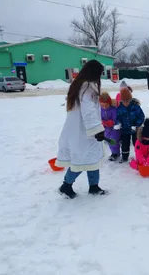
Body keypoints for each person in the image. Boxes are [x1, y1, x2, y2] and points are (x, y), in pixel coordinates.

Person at [56, 60, 107, 198]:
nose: (100, 77)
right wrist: (97, 129)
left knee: (92, 159)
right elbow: (88, 110)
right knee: (81, 160)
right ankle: (66, 186)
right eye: (99, 73)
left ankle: (94, 186)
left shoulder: (79, 85)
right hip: (83, 131)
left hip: (81, 129)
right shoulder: (86, 89)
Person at [118, 87, 145, 163]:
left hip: (134, 130)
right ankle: (124, 157)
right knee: (124, 144)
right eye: (124, 101)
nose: (126, 103)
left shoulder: (135, 107)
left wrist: (137, 125)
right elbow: (117, 117)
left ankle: (139, 156)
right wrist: (118, 123)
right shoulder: (120, 108)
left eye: (128, 101)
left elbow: (141, 116)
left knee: (136, 143)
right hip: (124, 129)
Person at [99, 92, 120, 161]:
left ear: (109, 103)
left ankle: (116, 153)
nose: (104, 107)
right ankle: (113, 152)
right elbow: (99, 117)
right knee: (108, 140)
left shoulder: (113, 109)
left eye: (106, 105)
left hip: (114, 128)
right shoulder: (100, 109)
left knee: (113, 140)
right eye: (102, 105)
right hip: (106, 129)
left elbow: (115, 119)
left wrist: (107, 122)